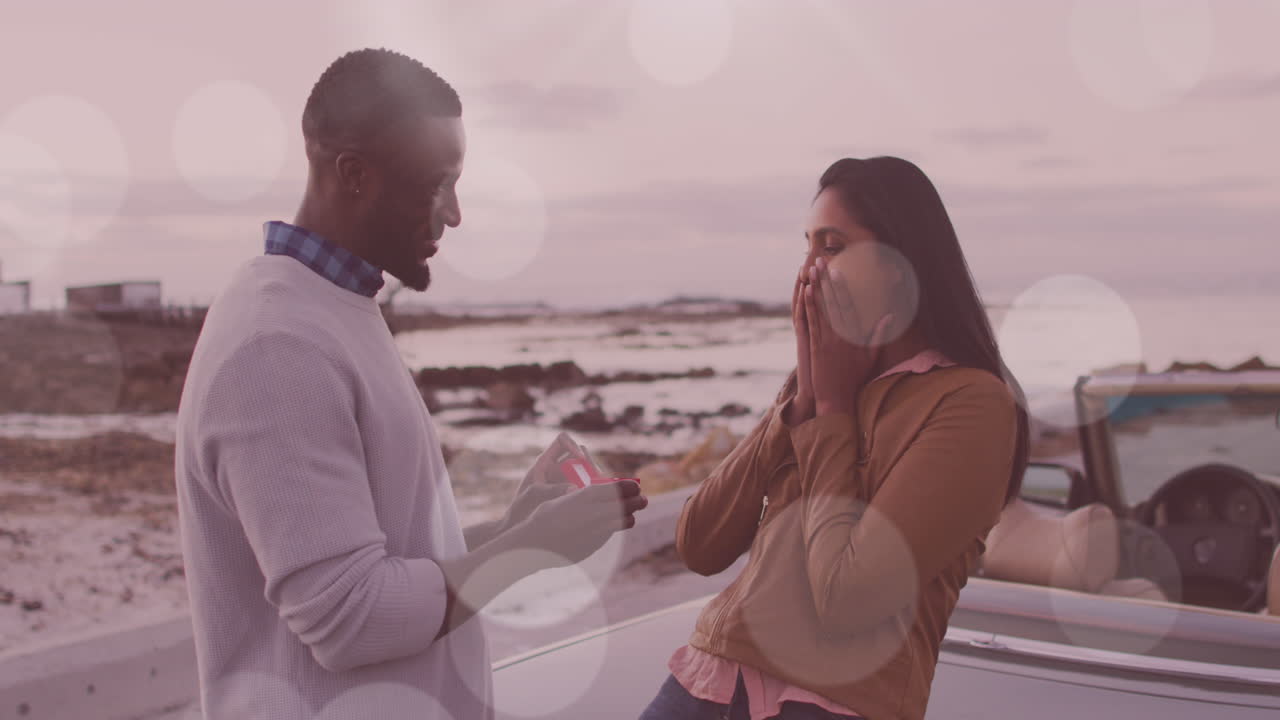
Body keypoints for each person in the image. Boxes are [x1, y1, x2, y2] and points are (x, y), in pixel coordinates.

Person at [174, 48, 646, 720]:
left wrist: (515, 526)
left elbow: (389, 567)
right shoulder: (276, 347)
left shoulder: (332, 307)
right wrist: (534, 549)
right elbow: (350, 620)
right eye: (435, 184)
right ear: (354, 176)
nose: (452, 214)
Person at [639, 156, 1029, 720]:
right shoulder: (819, 387)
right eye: (807, 246)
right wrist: (799, 405)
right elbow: (699, 544)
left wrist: (834, 410)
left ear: (901, 261)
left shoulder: (971, 405)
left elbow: (847, 601)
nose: (806, 271)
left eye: (831, 246)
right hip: (706, 684)